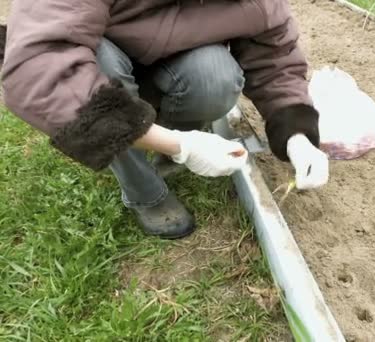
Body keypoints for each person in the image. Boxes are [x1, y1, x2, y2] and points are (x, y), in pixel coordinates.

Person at [0, 0, 329, 239]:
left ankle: (168, 151)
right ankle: (145, 190)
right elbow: (40, 66)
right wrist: (179, 144)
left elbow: (275, 57)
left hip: (172, 63)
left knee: (215, 74)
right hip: (104, 66)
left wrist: (296, 135)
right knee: (103, 68)